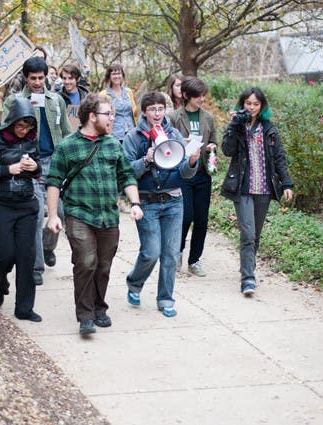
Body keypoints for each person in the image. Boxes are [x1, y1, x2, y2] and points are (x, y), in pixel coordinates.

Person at [46, 94, 143, 336]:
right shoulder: (68, 146)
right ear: (92, 116)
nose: (112, 118)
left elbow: (127, 176)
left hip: (108, 217)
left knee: (103, 266)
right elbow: (54, 182)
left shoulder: (113, 144)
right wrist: (52, 216)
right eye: (107, 114)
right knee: (86, 262)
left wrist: (135, 203)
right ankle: (85, 315)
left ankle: (100, 307)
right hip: (79, 214)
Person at [122, 91, 200, 317]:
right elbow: (126, 172)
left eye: (160, 108)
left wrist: (192, 161)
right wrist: (146, 160)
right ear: (144, 112)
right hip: (146, 201)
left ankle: (165, 299)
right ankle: (134, 283)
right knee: (151, 252)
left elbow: (184, 173)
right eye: (153, 109)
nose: (157, 113)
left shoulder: (174, 134)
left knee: (171, 254)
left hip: (174, 201)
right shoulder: (133, 137)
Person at [2, 56, 72, 285]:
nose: (37, 82)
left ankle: (47, 245)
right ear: (25, 78)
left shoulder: (56, 100)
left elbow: (66, 132)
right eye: (33, 78)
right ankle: (36, 265)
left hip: (54, 162)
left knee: (59, 213)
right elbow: (4, 131)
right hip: (29, 163)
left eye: (41, 78)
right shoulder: (15, 100)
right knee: (34, 214)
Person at [221, 87, 293, 296]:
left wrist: (287, 184)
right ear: (242, 104)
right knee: (248, 234)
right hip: (242, 188)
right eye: (248, 103)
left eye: (255, 104)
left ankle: (248, 268)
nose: (251, 107)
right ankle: (248, 279)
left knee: (256, 236)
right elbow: (227, 150)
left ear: (261, 106)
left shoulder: (269, 128)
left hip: (263, 189)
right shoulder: (236, 125)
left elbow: (279, 158)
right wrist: (234, 127)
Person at [0, 98, 43, 322]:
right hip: (1, 203)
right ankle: (0, 282)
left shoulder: (32, 140)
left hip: (26, 203)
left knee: (26, 257)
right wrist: (7, 169)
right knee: (5, 254)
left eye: (28, 127)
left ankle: (24, 308)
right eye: (20, 126)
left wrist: (35, 168)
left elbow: (38, 166)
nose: (24, 131)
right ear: (11, 122)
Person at [169, 77, 217, 277]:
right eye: (197, 96)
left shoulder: (208, 118)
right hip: (183, 173)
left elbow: (214, 140)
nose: (201, 99)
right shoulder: (173, 117)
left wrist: (211, 147)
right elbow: (168, 144)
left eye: (203, 95)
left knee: (201, 219)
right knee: (185, 216)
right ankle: (177, 253)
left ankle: (194, 260)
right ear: (187, 95)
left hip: (202, 173)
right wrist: (184, 143)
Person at [99, 63, 138, 212]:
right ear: (109, 76)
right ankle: (115, 198)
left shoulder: (128, 92)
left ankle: (127, 198)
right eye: (114, 74)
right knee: (115, 167)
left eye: (119, 73)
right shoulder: (104, 94)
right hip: (114, 134)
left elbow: (133, 113)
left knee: (129, 166)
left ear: (123, 75)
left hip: (130, 134)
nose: (117, 76)